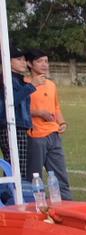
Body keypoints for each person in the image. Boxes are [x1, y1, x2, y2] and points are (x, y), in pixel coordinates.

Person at [25, 50, 71, 200]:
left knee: (60, 175)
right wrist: (39, 113)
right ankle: (34, 206)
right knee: (34, 176)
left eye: (46, 61)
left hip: (53, 134)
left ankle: (67, 205)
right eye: (39, 61)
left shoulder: (51, 85)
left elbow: (56, 107)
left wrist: (62, 122)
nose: (44, 65)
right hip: (35, 136)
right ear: (29, 64)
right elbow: (19, 108)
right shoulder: (25, 84)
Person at [8, 51, 35, 174]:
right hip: (13, 126)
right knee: (16, 167)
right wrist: (31, 86)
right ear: (8, 61)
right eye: (19, 59)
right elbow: (11, 101)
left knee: (19, 166)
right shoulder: (8, 80)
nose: (23, 63)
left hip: (20, 126)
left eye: (24, 60)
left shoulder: (18, 79)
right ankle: (12, 187)